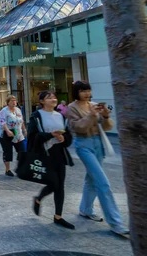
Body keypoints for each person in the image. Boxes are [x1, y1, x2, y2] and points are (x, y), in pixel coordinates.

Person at [67, 81, 129, 237]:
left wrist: (106, 116)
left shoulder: (94, 104)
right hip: (83, 145)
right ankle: (116, 223)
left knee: (91, 180)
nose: (87, 93)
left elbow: (107, 127)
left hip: (98, 144)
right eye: (83, 91)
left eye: (88, 90)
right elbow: (78, 127)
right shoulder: (71, 107)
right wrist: (91, 115)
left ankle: (86, 209)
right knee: (103, 182)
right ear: (76, 92)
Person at [28, 90, 75, 230]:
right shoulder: (37, 116)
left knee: (60, 185)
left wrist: (63, 138)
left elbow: (69, 136)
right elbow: (32, 136)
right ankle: (38, 198)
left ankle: (58, 216)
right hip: (45, 153)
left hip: (59, 153)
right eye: (49, 98)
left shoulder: (61, 116)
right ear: (42, 101)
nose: (53, 99)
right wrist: (50, 135)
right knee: (54, 183)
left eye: (54, 97)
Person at [0, 95, 27, 176]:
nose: (14, 102)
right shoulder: (4, 111)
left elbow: (21, 121)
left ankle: (19, 167)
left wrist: (24, 130)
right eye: (12, 100)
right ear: (8, 102)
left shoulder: (18, 110)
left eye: (15, 100)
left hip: (18, 133)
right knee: (8, 151)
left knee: (22, 150)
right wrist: (7, 131)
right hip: (5, 133)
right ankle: (7, 170)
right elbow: (2, 122)